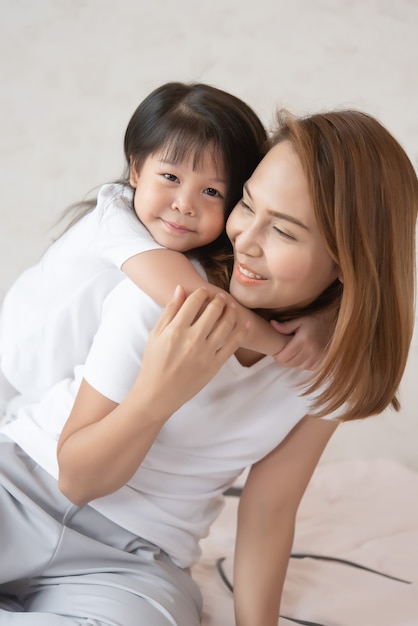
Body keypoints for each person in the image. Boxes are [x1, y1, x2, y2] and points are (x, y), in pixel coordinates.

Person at [0, 107, 416, 626]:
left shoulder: (331, 371)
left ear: (348, 260)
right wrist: (159, 395)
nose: (244, 238)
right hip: (19, 487)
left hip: (135, 558)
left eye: (284, 232)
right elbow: (78, 480)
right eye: (245, 204)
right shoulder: (165, 297)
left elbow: (268, 511)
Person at [0, 83, 328, 414]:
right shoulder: (115, 219)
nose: (185, 204)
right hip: (18, 360)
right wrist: (285, 345)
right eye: (171, 176)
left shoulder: (221, 242)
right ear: (138, 170)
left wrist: (321, 318)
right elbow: (198, 305)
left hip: (56, 384)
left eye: (212, 192)